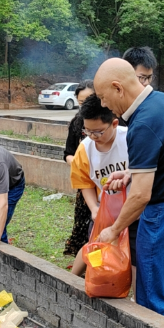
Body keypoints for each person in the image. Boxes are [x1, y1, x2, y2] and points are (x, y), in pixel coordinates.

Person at [93, 58, 164, 321]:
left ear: (118, 88)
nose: (103, 105)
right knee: (160, 287)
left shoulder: (142, 125)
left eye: (103, 97)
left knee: (153, 304)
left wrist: (114, 229)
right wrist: (132, 173)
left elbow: (142, 195)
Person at [68, 94, 134, 277]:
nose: (92, 136)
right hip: (105, 208)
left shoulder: (130, 139)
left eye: (98, 132)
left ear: (114, 124)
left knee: (131, 252)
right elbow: (84, 182)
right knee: (95, 244)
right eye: (87, 131)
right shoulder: (85, 148)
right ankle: (74, 279)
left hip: (133, 209)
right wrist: (94, 208)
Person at [63, 80, 98, 257]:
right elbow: (67, 154)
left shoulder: (109, 119)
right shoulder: (76, 123)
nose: (85, 106)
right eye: (81, 102)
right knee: (85, 223)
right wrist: (79, 163)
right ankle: (84, 259)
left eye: (90, 99)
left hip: (106, 181)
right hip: (86, 182)